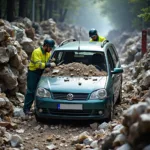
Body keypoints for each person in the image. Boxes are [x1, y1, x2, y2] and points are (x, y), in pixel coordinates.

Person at [23, 39, 56, 115]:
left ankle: (37, 108)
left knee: (41, 92)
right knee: (31, 91)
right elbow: (38, 65)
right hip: (33, 73)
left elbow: (47, 61)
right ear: (46, 46)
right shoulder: (37, 52)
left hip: (41, 73)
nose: (50, 49)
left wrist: (51, 61)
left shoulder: (47, 53)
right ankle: (26, 109)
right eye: (50, 48)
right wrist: (49, 65)